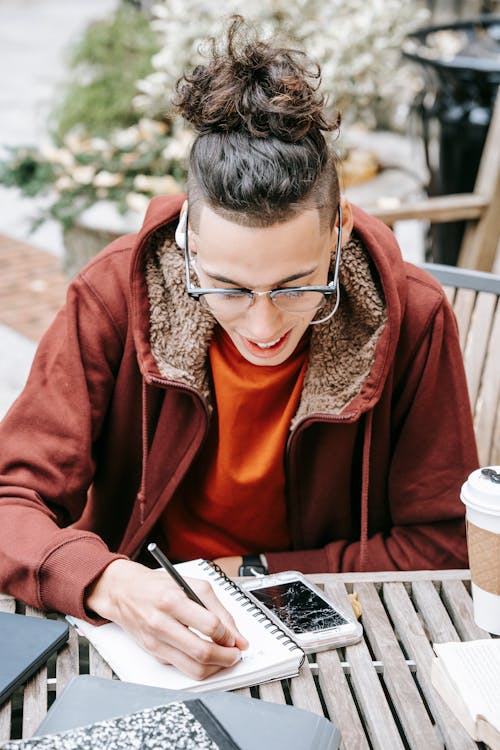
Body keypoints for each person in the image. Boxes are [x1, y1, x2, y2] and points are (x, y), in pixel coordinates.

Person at [0, 18, 478, 679]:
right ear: (190, 237)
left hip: (333, 653)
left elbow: (442, 545)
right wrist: (109, 581)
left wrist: (247, 573)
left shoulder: (415, 316)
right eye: (225, 288)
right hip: (136, 634)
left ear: (339, 229)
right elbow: (8, 499)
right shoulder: (115, 291)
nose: (260, 326)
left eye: (296, 287)